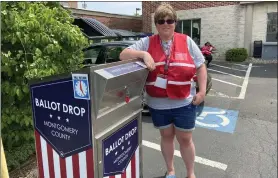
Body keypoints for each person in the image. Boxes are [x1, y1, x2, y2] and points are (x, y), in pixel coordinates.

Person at [120, 3, 207, 178]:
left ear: (175, 22)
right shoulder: (147, 42)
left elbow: (201, 66)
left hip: (184, 102)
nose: (165, 24)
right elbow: (123, 54)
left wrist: (202, 92)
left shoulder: (187, 41)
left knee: (185, 139)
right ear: (156, 24)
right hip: (158, 104)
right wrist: (143, 54)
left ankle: (191, 174)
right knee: (166, 137)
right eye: (161, 21)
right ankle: (171, 171)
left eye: (170, 20)